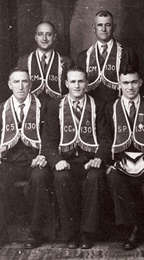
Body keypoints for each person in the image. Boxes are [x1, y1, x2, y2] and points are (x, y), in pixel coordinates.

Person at [0, 67, 51, 250]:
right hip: (8, 162)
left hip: (33, 160)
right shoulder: (1, 109)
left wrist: (43, 156)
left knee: (40, 177)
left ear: (30, 84)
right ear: (9, 85)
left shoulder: (42, 107)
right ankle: (0, 232)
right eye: (16, 82)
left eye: (24, 81)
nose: (21, 86)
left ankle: (35, 232)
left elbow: (49, 138)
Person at [41, 66, 110, 249]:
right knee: (61, 178)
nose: (77, 85)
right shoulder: (55, 105)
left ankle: (87, 233)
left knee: (95, 177)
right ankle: (71, 233)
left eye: (81, 81)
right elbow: (48, 141)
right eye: (73, 81)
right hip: (66, 160)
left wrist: (99, 158)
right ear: (66, 84)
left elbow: (105, 138)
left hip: (90, 159)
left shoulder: (98, 105)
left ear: (87, 83)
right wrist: (56, 161)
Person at [105, 65, 144, 250]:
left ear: (140, 83)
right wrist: (109, 162)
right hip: (121, 159)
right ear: (119, 85)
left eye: (133, 82)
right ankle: (133, 228)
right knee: (113, 176)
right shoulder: (110, 107)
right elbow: (106, 137)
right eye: (125, 83)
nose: (130, 87)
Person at [77, 11, 139, 104]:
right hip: (93, 107)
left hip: (119, 106)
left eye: (107, 25)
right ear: (94, 28)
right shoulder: (83, 56)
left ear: (114, 27)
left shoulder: (128, 53)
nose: (103, 29)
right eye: (99, 25)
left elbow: (135, 84)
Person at [17, 21, 74, 117]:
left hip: (58, 112)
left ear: (54, 37)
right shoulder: (24, 61)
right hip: (31, 112)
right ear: (35, 37)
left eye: (49, 35)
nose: (44, 38)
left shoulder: (66, 62)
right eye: (40, 34)